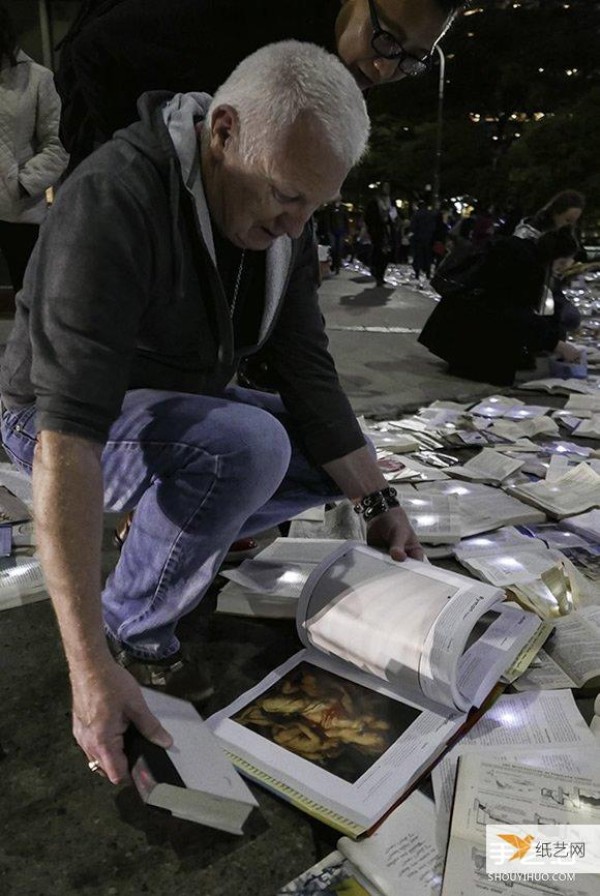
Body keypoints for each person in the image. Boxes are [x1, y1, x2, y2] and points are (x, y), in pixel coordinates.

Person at [0, 42, 422, 785]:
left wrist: (380, 501)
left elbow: (311, 377)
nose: (297, 226)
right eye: (287, 196)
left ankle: (178, 525)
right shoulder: (116, 198)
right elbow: (65, 442)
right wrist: (89, 668)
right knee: (247, 445)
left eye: (316, 207)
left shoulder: (281, 225)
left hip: (174, 406)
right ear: (222, 132)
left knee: (342, 458)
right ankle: (137, 624)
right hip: (49, 416)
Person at [55, 0, 464, 171]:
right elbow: (95, 49)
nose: (384, 68)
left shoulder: (335, 61)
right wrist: (146, 174)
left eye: (411, 58)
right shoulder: (245, 14)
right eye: (388, 38)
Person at [418, 226, 582, 385]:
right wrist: (557, 344)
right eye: (561, 264)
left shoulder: (522, 252)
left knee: (521, 358)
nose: (560, 270)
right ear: (553, 256)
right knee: (501, 375)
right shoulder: (525, 264)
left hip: (455, 326)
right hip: (470, 329)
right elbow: (514, 312)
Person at [0, 4, 68, 294]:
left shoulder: (38, 78)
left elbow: (58, 145)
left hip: (18, 209)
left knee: (27, 294)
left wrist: (23, 185)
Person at [513, 190, 585, 241]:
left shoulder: (566, 236)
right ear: (555, 213)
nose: (570, 225)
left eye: (574, 221)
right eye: (567, 220)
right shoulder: (526, 235)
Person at [365, 182, 396, 286]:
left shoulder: (391, 202)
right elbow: (368, 217)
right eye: (385, 188)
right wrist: (371, 228)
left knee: (386, 254)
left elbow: (394, 216)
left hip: (387, 230)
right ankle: (376, 273)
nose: (386, 190)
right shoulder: (375, 202)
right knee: (378, 252)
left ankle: (381, 275)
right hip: (377, 230)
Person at [410, 200, 436, 283]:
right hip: (428, 238)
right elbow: (433, 227)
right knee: (427, 256)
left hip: (418, 238)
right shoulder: (431, 215)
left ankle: (417, 273)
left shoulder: (416, 215)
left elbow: (413, 227)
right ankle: (427, 273)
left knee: (418, 256)